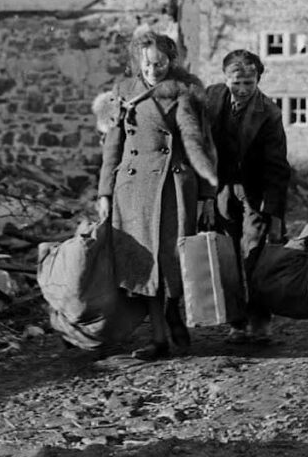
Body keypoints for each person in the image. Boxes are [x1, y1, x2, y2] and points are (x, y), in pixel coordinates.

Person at [96, 31, 218, 361]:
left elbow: (203, 144)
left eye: (160, 63)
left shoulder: (187, 90)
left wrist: (207, 195)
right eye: (147, 63)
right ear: (138, 61)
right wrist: (105, 191)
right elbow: (113, 144)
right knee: (144, 264)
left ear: (171, 61)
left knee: (173, 260)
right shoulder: (122, 91)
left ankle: (174, 311)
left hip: (173, 188)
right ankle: (159, 337)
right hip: (133, 190)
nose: (153, 70)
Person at [204, 49, 290, 346]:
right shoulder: (211, 98)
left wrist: (274, 213)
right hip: (222, 187)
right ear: (225, 78)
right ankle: (236, 322)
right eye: (236, 82)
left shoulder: (269, 113)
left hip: (256, 190)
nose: (241, 90)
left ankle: (260, 319)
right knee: (226, 254)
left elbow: (277, 166)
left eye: (249, 83)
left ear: (258, 80)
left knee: (253, 253)